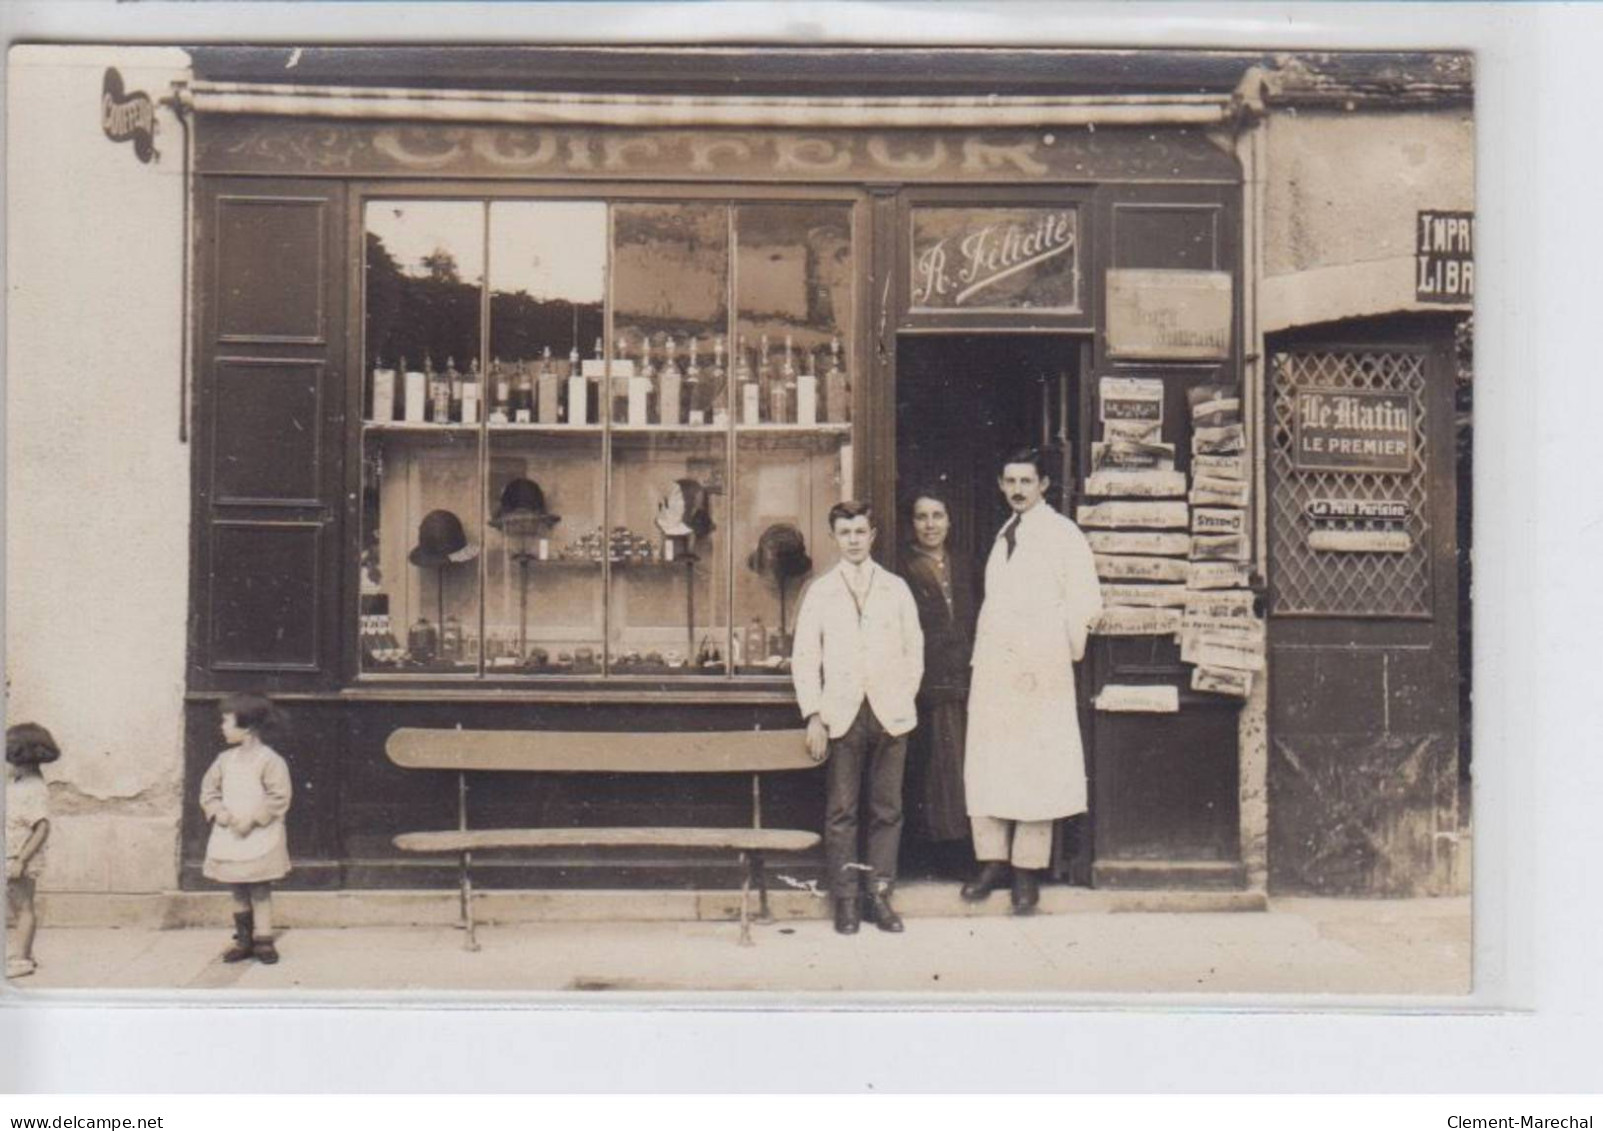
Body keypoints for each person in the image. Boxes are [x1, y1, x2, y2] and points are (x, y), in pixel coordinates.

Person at [963, 448, 1103, 914]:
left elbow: (1085, 602)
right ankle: (993, 862)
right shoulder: (1005, 533)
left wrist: (1051, 655)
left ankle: (1026, 871)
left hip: (1040, 672)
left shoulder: (1063, 535)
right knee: (990, 762)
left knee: (1034, 767)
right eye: (1010, 481)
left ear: (1044, 484)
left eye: (1026, 481)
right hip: (997, 671)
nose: (1017, 490)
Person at [791, 500, 924, 935]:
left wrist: (902, 697)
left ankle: (879, 896)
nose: (853, 540)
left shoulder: (895, 588)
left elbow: (913, 651)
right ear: (834, 537)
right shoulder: (821, 592)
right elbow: (805, 657)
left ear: (873, 535)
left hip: (890, 713)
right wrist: (813, 714)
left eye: (860, 531)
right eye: (845, 532)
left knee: (887, 809)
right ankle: (846, 900)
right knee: (842, 810)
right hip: (842, 714)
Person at [897, 486, 978, 863]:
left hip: (966, 676)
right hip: (927, 681)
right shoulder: (903, 568)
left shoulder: (964, 563)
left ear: (950, 520)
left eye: (937, 516)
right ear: (911, 523)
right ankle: (938, 851)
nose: (930, 525)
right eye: (921, 517)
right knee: (935, 766)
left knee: (964, 763)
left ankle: (964, 848)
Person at [200, 693, 293, 964]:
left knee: (260, 887)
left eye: (227, 722)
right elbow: (209, 791)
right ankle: (244, 939)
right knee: (237, 888)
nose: (222, 727)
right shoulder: (224, 760)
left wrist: (252, 820)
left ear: (248, 727)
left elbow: (279, 797)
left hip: (258, 832)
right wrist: (220, 813)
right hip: (230, 832)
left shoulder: (269, 760)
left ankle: (264, 939)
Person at [6, 723, 59, 979]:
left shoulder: (34, 788)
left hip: (20, 856)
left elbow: (42, 828)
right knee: (16, 906)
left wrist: (22, 859)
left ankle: (22, 959)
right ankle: (23, 950)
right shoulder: (17, 782)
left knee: (24, 905)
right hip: (11, 853)